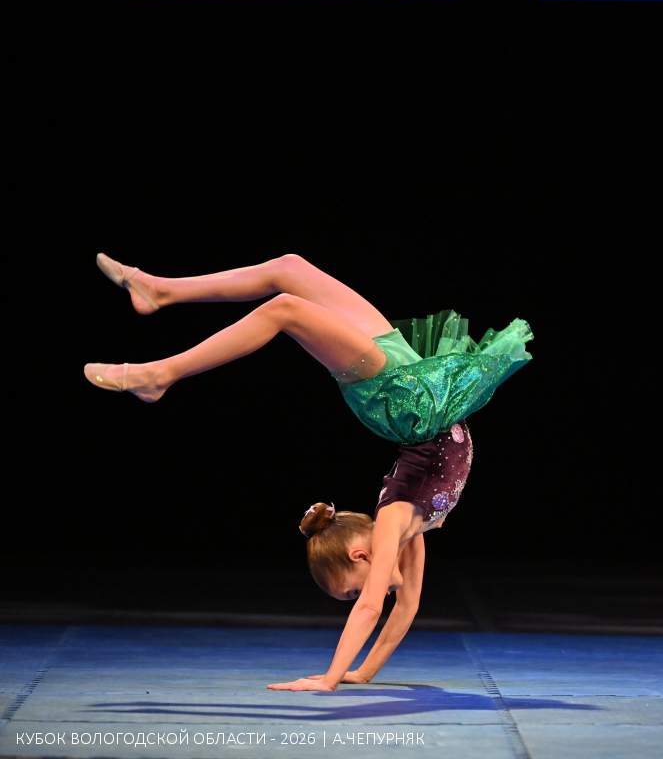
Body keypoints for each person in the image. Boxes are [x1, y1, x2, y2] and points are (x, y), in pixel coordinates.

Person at [84, 253, 532, 691]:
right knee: (289, 271)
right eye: (351, 595)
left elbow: (373, 609)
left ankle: (159, 371)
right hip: (417, 391)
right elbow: (405, 608)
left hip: (403, 400)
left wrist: (330, 678)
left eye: (351, 592)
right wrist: (359, 674)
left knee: (286, 303)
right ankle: (159, 293)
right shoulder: (410, 532)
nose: (364, 596)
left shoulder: (393, 520)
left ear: (360, 555)